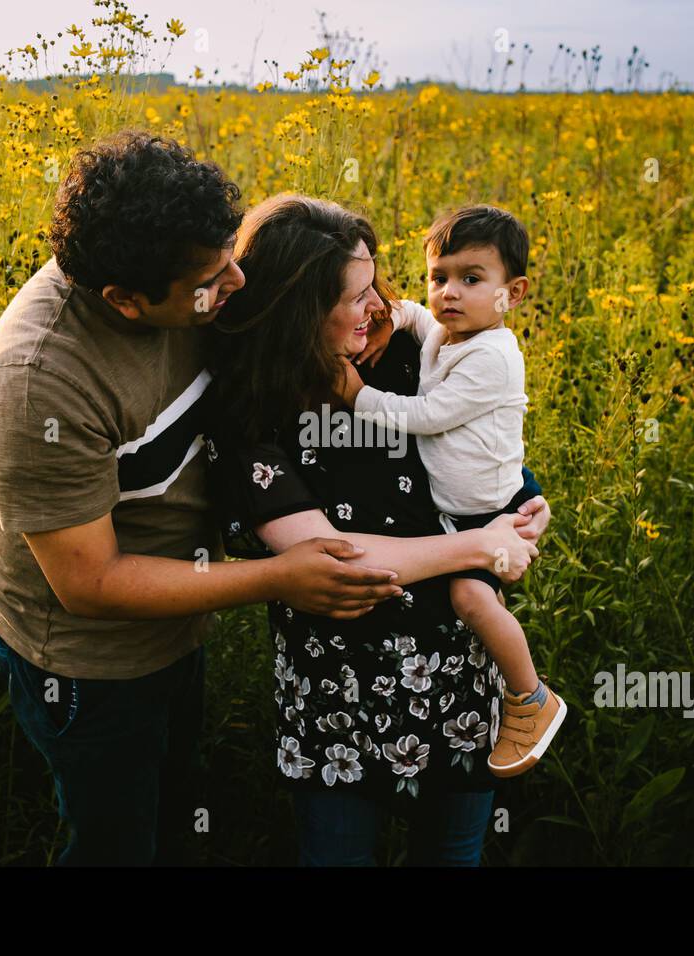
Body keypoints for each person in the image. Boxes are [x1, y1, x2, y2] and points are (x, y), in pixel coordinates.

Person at [0, 131, 408, 866]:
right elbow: (90, 583)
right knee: (117, 843)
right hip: (89, 666)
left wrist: (375, 315)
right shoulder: (36, 381)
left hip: (179, 621)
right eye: (214, 275)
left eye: (232, 254)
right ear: (125, 300)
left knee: (174, 814)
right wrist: (279, 578)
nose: (237, 282)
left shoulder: (196, 282)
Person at [204, 193, 554, 865]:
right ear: (302, 308)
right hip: (337, 697)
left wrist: (529, 503)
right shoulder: (247, 415)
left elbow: (480, 453)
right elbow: (332, 558)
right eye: (359, 294)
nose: (381, 306)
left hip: (457, 680)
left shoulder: (399, 354)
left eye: (378, 286)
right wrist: (482, 544)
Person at [337, 204, 565, 778]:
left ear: (513, 292)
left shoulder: (493, 357)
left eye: (471, 279)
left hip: (488, 511)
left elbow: (430, 414)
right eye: (439, 277)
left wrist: (356, 394)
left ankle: (532, 699)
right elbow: (418, 318)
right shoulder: (451, 329)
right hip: (459, 510)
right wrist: (390, 313)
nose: (449, 294)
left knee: (469, 600)